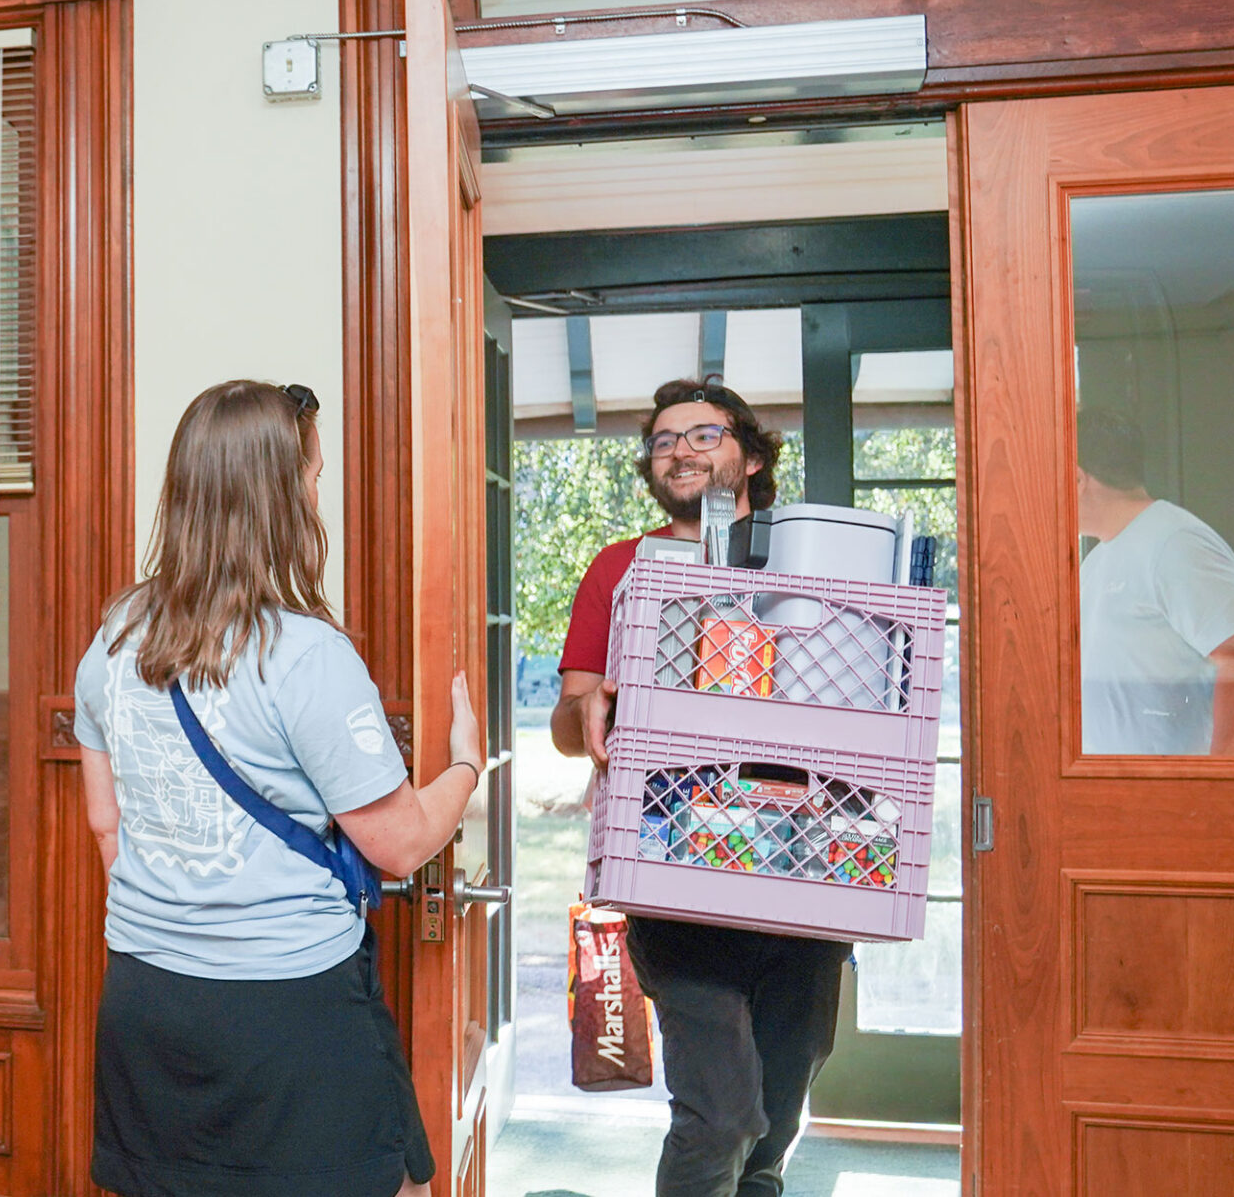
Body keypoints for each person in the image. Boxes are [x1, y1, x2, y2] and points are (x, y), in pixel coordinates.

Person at [74, 379, 485, 1197]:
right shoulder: (304, 656)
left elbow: (107, 829)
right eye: (313, 476)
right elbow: (398, 845)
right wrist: (465, 767)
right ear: (279, 497)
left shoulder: (111, 641)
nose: (316, 495)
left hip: (146, 999)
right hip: (286, 1008)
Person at [551, 378, 847, 1197]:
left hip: (803, 877)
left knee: (778, 1111)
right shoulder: (618, 568)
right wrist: (594, 703)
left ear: (751, 457)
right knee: (720, 1112)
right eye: (663, 439)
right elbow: (567, 720)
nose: (679, 449)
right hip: (671, 874)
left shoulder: (816, 561)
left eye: (703, 434)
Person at [1076, 408, 1234, 756]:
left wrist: (1220, 783)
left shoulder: (1177, 542)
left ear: (1077, 479)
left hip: (1189, 801)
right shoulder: (1095, 561)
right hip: (1118, 796)